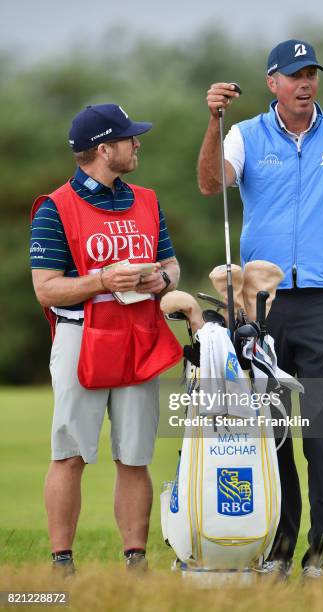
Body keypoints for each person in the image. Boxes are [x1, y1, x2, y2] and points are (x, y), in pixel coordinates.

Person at [197, 40, 323, 579]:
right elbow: (211, 183)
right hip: (259, 306)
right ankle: (278, 550)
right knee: (270, 431)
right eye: (294, 75)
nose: (305, 83)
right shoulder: (245, 135)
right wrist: (214, 124)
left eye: (311, 73)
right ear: (273, 83)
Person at [30, 103, 183, 575]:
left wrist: (161, 278)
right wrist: (102, 281)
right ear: (104, 149)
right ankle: (62, 562)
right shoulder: (56, 208)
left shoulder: (147, 199)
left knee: (135, 454)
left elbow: (171, 266)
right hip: (81, 336)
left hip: (140, 334)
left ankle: (135, 561)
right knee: (70, 452)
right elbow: (46, 287)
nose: (137, 143)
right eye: (129, 138)